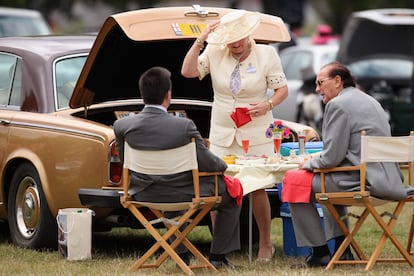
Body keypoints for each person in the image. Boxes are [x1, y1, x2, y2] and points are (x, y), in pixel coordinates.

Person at [181, 9, 288, 261]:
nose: (235, 44)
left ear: (249, 34)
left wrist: (267, 105)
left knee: (258, 188)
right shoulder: (216, 51)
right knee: (220, 188)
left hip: (256, 129)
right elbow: (188, 72)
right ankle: (222, 247)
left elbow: (282, 90)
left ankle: (264, 244)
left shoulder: (266, 54)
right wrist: (201, 39)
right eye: (230, 40)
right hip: (223, 131)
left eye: (239, 39)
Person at [113, 66, 241, 269]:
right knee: (231, 193)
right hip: (182, 192)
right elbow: (209, 163)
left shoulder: (122, 126)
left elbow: (125, 160)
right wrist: (224, 164)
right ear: (168, 94)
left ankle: (180, 253)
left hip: (142, 193)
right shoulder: (184, 126)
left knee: (169, 189)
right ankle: (218, 256)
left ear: (142, 94)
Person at [289, 61, 411, 268]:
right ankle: (341, 249)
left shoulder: (337, 105)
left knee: (295, 183)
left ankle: (319, 253)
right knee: (325, 182)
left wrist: (308, 162)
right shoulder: (371, 100)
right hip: (392, 181)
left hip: (364, 181)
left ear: (337, 81)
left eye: (320, 83)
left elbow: (330, 159)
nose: (317, 89)